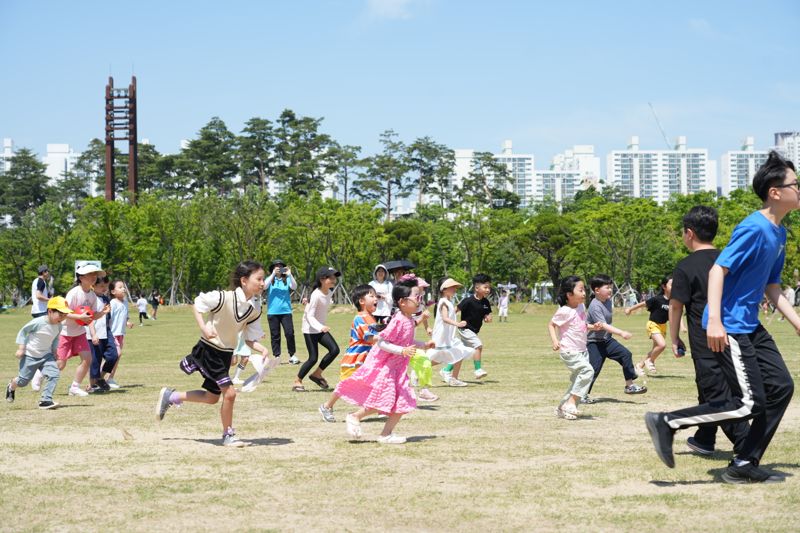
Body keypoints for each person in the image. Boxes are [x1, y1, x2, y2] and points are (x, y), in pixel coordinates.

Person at [645, 152, 797, 484]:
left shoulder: (779, 233)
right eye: (795, 184)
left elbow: (772, 287)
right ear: (775, 191)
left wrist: (798, 323)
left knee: (782, 387)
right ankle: (667, 421)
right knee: (749, 402)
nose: (799, 189)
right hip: (729, 325)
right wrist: (714, 320)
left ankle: (744, 463)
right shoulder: (754, 226)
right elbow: (718, 270)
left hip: (750, 325)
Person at [155, 261, 269, 448]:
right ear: (243, 280)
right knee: (230, 393)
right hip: (209, 350)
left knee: (212, 398)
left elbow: (249, 339)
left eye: (263, 279)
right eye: (259, 279)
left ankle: (172, 396)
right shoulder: (222, 297)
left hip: (224, 355)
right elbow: (197, 304)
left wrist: (261, 349)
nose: (263, 283)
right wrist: (203, 327)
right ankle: (228, 435)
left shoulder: (253, 310)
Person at [666, 206, 748, 457]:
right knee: (709, 386)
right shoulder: (728, 258)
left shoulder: (685, 267)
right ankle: (704, 438)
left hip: (705, 339)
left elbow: (676, 305)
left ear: (689, 233)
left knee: (717, 393)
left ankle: (747, 445)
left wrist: (675, 338)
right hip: (733, 333)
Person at [334, 279, 435, 444]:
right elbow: (381, 342)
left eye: (420, 297)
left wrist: (423, 345)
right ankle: (355, 417)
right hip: (389, 369)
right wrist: (401, 351)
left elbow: (406, 341)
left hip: (399, 369)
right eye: (416, 297)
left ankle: (385, 434)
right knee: (385, 399)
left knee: (402, 401)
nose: (419, 301)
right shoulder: (398, 320)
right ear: (402, 302)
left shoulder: (409, 320)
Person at [318, 284, 379, 422]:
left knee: (373, 383)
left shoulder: (371, 317)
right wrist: (385, 337)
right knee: (345, 386)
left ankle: (374, 407)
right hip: (353, 361)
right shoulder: (360, 318)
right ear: (361, 301)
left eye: (376, 296)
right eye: (372, 296)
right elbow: (369, 338)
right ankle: (326, 407)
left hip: (365, 360)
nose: (376, 298)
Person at [584, 274, 647, 402]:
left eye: (610, 287)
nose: (610, 290)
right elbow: (604, 325)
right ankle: (582, 395)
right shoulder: (595, 305)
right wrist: (622, 333)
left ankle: (629, 386)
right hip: (594, 343)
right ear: (596, 290)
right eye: (607, 287)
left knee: (625, 354)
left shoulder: (607, 301)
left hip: (607, 341)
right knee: (593, 369)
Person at [6, 296, 73, 409]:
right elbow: (23, 332)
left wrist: (55, 351)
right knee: (23, 382)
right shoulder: (38, 322)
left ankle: (45, 400)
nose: (62, 318)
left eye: (65, 315)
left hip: (46, 356)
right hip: (30, 355)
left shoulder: (59, 326)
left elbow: (55, 339)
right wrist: (21, 348)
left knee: (54, 374)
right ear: (50, 311)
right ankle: (11, 386)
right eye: (60, 315)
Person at [548, 276, 598, 420]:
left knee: (578, 381)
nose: (584, 293)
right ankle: (571, 403)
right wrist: (555, 340)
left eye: (584, 290)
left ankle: (562, 408)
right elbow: (551, 324)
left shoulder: (581, 307)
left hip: (582, 350)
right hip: (569, 351)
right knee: (588, 371)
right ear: (569, 295)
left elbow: (580, 325)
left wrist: (593, 327)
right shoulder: (564, 310)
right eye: (581, 290)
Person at [58, 264, 110, 397]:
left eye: (95, 275)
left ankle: (74, 387)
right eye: (90, 274)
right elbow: (64, 313)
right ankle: (40, 373)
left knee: (87, 358)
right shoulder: (74, 293)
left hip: (79, 332)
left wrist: (102, 313)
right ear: (81, 277)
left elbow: (91, 316)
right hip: (66, 331)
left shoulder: (92, 295)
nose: (94, 277)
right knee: (61, 363)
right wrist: (79, 317)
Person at [293, 266, 341, 392]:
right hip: (310, 328)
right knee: (313, 358)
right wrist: (321, 327)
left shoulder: (329, 291)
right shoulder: (316, 294)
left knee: (334, 350)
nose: (333, 279)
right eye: (330, 277)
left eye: (334, 277)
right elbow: (309, 315)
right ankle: (297, 381)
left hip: (319, 328)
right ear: (321, 279)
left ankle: (317, 374)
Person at [440, 273, 492, 385]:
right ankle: (478, 370)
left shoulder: (486, 302)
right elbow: (455, 310)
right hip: (465, 329)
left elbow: (487, 315)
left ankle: (446, 370)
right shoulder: (468, 300)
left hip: (473, 331)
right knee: (478, 346)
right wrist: (448, 321)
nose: (488, 290)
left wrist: (488, 318)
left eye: (489, 287)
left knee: (461, 352)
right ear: (477, 288)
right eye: (485, 287)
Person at [426, 278, 474, 393]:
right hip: (442, 337)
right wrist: (458, 324)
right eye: (452, 287)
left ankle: (453, 378)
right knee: (442, 356)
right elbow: (445, 318)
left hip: (448, 337)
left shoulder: (448, 302)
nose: (454, 289)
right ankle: (453, 378)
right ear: (444, 289)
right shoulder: (443, 302)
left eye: (455, 287)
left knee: (457, 353)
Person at [625, 275, 672, 375]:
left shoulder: (673, 301)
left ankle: (639, 366)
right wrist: (630, 309)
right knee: (662, 345)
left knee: (656, 349)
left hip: (663, 326)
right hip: (653, 324)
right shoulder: (657, 299)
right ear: (664, 286)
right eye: (672, 285)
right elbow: (643, 303)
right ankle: (650, 361)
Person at [87, 276, 118, 393]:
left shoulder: (106, 298)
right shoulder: (90, 298)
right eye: (101, 286)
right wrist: (93, 334)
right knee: (95, 360)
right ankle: (92, 385)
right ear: (93, 286)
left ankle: (100, 377)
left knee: (113, 355)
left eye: (106, 286)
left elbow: (108, 317)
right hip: (94, 332)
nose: (104, 288)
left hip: (106, 331)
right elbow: (89, 317)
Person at [265, 260, 299, 365]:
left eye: (280, 266)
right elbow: (264, 286)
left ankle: (292, 355)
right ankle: (277, 356)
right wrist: (273, 274)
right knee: (275, 335)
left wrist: (290, 274)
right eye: (276, 266)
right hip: (272, 312)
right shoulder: (270, 279)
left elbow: (294, 287)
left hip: (286, 311)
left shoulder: (287, 279)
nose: (279, 268)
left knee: (289, 333)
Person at [107, 280, 134, 389]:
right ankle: (97, 378)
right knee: (117, 354)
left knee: (115, 358)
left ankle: (110, 378)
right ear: (113, 291)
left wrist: (127, 322)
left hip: (121, 334)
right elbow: (108, 319)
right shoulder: (112, 303)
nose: (123, 289)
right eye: (120, 287)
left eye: (123, 287)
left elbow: (125, 315)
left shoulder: (125, 302)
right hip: (112, 334)